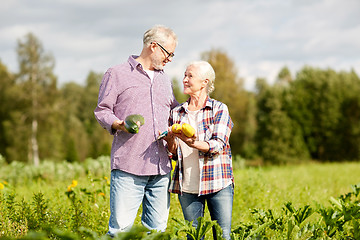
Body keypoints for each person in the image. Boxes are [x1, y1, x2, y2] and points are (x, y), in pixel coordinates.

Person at [94, 25, 178, 237]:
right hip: (129, 167)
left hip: (160, 169)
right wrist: (119, 124)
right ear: (153, 47)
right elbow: (102, 110)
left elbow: (174, 111)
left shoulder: (164, 79)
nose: (170, 59)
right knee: (121, 233)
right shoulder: (117, 74)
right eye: (169, 53)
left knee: (157, 233)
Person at [165, 61, 234, 240]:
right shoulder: (176, 113)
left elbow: (218, 145)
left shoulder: (219, 109)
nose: (185, 80)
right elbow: (172, 153)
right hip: (187, 186)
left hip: (218, 183)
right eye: (184, 75)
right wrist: (171, 139)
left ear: (205, 82)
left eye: (190, 76)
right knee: (194, 237)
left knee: (222, 236)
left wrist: (192, 142)